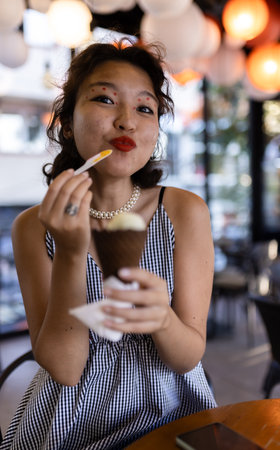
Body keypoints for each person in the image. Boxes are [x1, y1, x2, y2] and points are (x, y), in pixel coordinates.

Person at [1, 39, 216, 450]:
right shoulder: (33, 227)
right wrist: (69, 250)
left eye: (144, 108)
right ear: (66, 121)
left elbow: (188, 356)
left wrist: (162, 319)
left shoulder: (184, 212)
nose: (126, 122)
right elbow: (65, 368)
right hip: (70, 421)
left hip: (170, 413)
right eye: (104, 99)